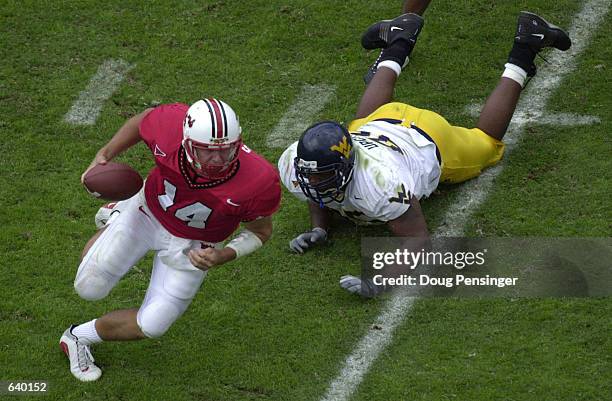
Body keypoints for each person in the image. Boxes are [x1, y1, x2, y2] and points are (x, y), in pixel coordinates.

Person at [278, 11, 571, 296]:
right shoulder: (298, 165)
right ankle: (398, 40)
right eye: (310, 175)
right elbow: (316, 188)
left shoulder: (380, 186)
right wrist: (320, 228)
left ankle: (525, 48)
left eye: (322, 176)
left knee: (486, 143)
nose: (311, 182)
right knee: (357, 126)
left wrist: (378, 281)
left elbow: (418, 241)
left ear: (346, 168)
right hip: (379, 124)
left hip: (429, 138)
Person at [60, 98, 281, 381]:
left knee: (152, 325)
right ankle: (119, 215)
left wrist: (223, 255)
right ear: (187, 142)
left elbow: (261, 232)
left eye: (226, 152)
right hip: (148, 212)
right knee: (89, 288)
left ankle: (77, 337)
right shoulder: (169, 127)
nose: (217, 161)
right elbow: (142, 122)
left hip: (195, 246)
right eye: (206, 152)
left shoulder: (258, 180)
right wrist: (105, 154)